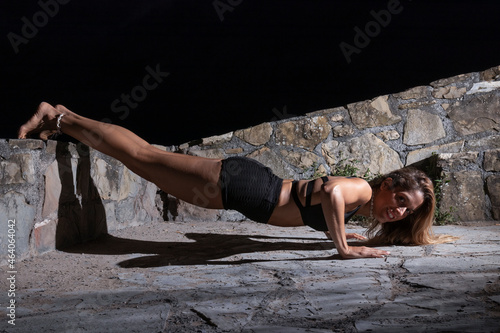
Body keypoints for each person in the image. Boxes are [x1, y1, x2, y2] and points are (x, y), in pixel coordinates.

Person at [18, 102, 448, 260]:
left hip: (246, 187)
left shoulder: (364, 200)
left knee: (146, 156)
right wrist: (343, 247)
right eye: (403, 199)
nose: (400, 210)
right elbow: (333, 192)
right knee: (143, 157)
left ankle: (63, 120)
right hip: (245, 187)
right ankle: (58, 116)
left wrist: (344, 229)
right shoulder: (362, 190)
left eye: (407, 211)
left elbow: (324, 204)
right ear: (390, 182)